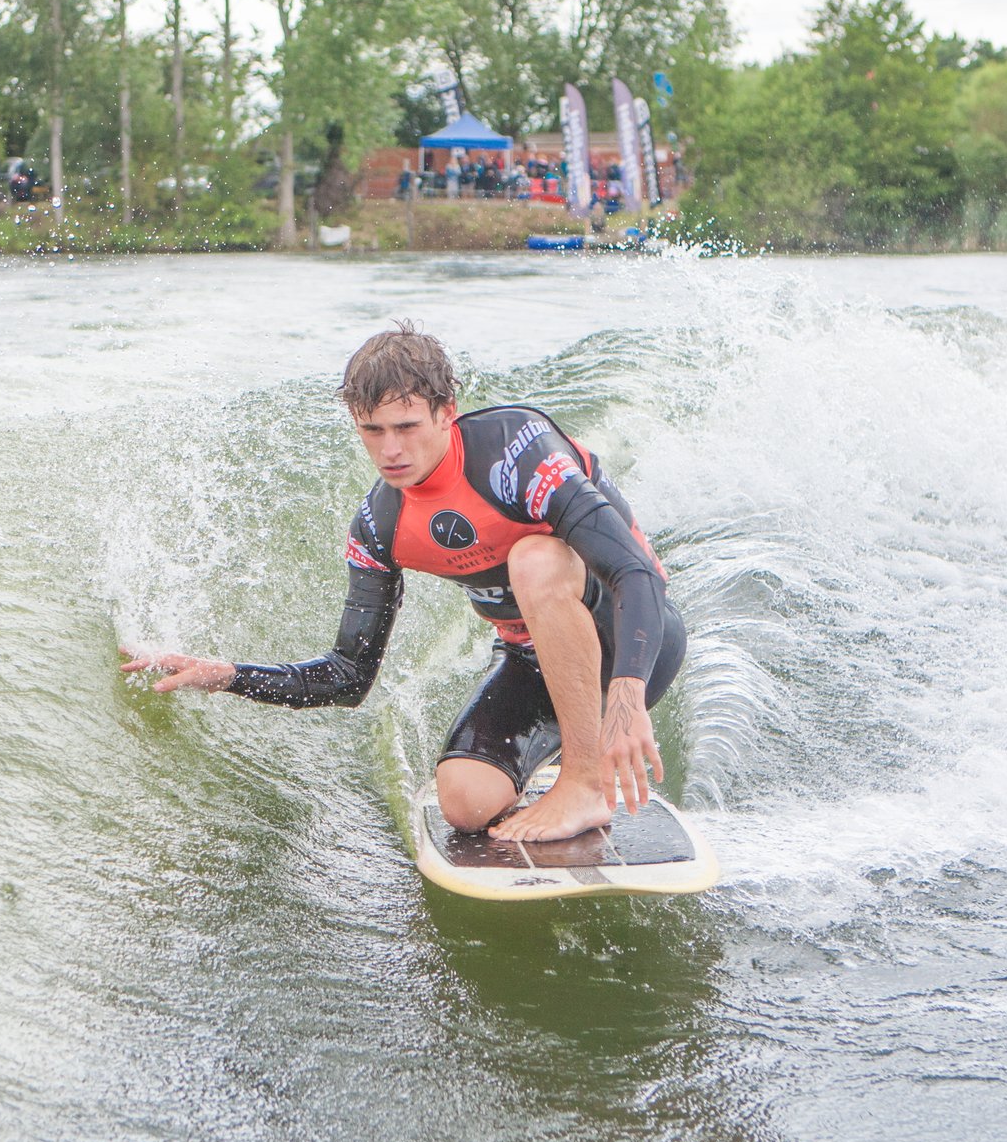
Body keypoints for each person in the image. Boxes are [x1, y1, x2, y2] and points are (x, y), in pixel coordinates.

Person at [119, 323, 687, 843]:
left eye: (407, 427)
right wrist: (229, 675)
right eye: (372, 430)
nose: (390, 450)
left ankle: (585, 784)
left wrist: (628, 696)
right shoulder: (380, 525)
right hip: (539, 661)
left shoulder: (515, 455)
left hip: (636, 638)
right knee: (464, 803)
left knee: (534, 560)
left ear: (447, 412)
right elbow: (348, 676)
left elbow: (634, 573)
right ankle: (567, 749)